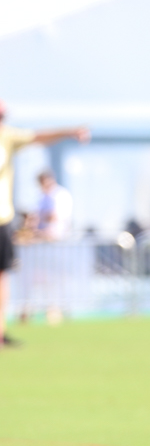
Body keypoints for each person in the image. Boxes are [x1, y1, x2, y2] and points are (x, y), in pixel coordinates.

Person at [0, 99, 89, 350]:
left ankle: (1, 332)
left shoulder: (7, 138)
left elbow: (39, 136)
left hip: (2, 220)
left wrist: (69, 132)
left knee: (3, 277)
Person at [34, 170, 73, 241]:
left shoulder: (61, 194)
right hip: (42, 237)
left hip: (59, 237)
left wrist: (41, 216)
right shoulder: (41, 196)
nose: (42, 185)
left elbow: (54, 216)